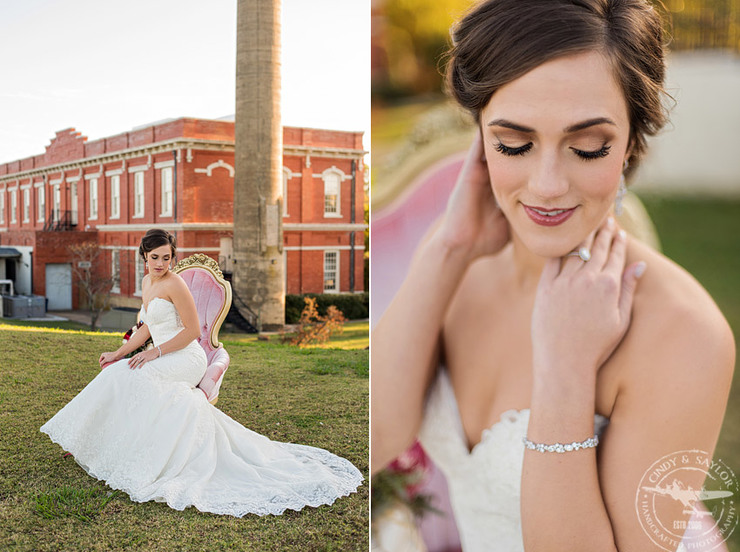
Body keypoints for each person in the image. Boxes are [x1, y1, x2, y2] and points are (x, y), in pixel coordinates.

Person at [371, 1, 735, 550]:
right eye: (513, 143)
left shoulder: (684, 333)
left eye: (588, 147)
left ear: (632, 141)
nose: (545, 185)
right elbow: (374, 441)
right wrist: (447, 250)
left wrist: (565, 373)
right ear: (479, 140)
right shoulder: (458, 264)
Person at [41, 229, 362, 517]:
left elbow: (193, 330)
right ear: (144, 256)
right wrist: (119, 353)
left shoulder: (175, 284)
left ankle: (151, 459)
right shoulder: (147, 282)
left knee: (141, 378)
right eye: (154, 258)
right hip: (163, 352)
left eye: (166, 257)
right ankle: (95, 443)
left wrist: (154, 352)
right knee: (117, 374)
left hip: (185, 356)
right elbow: (148, 326)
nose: (160, 264)